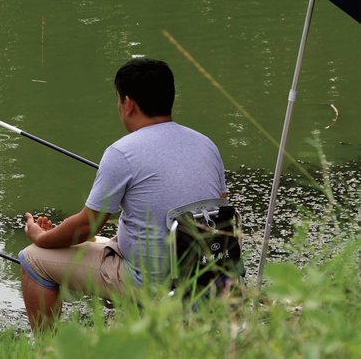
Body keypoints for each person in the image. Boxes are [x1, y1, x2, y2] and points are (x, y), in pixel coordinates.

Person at [18, 58, 228, 330]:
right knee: (104, 238)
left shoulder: (122, 152)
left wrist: (43, 237)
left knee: (32, 259)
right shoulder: (206, 145)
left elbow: (85, 226)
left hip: (153, 282)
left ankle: (48, 350)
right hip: (207, 273)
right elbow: (217, 206)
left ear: (128, 104)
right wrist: (64, 235)